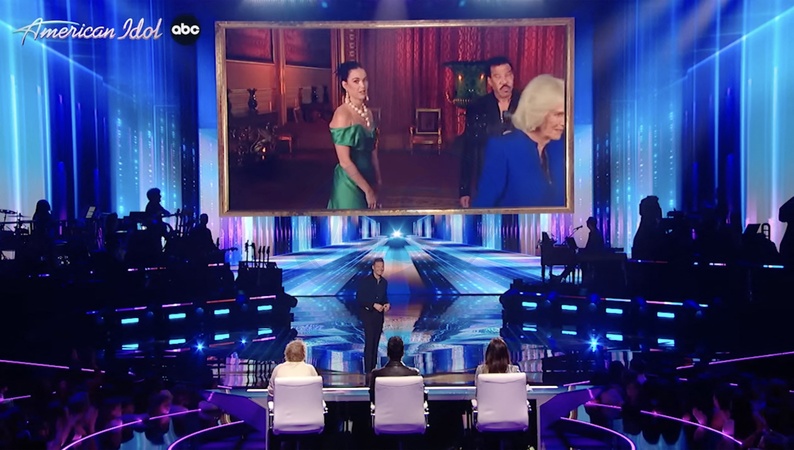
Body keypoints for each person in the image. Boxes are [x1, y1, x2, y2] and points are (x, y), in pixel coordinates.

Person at [472, 74, 566, 208]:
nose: (564, 122)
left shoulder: (563, 148)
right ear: (538, 112)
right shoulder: (503, 149)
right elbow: (483, 205)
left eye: (566, 114)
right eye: (558, 114)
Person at [459, 56, 520, 208]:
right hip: (489, 177)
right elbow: (469, 149)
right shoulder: (477, 108)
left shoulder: (527, 103)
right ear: (490, 81)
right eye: (498, 77)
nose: (504, 81)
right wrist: (464, 190)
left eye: (508, 75)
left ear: (513, 76)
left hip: (521, 178)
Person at [327, 61, 382, 210]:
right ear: (345, 85)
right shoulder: (342, 114)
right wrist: (367, 190)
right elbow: (345, 162)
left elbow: (373, 151)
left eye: (365, 80)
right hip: (349, 184)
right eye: (356, 81)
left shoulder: (368, 113)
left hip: (368, 178)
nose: (362, 86)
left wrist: (377, 180)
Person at [357, 257, 390, 374]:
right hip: (368, 316)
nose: (380, 269)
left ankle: (374, 369)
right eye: (378, 267)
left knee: (376, 343)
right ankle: (368, 371)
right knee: (369, 343)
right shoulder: (365, 281)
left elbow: (384, 297)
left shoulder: (384, 282)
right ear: (373, 267)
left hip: (379, 317)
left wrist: (386, 304)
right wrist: (373, 305)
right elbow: (360, 298)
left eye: (382, 267)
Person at [552, 217, 605, 283]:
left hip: (594, 256)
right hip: (592, 254)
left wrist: (582, 251)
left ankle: (563, 276)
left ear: (589, 224)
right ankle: (563, 276)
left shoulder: (595, 234)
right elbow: (589, 247)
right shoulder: (594, 232)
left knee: (574, 260)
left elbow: (592, 248)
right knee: (574, 260)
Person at [369, 336, 420, 403]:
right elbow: (418, 397)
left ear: (387, 353)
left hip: (384, 409)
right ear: (402, 353)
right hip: (409, 409)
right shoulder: (414, 373)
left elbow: (373, 399)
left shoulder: (376, 374)